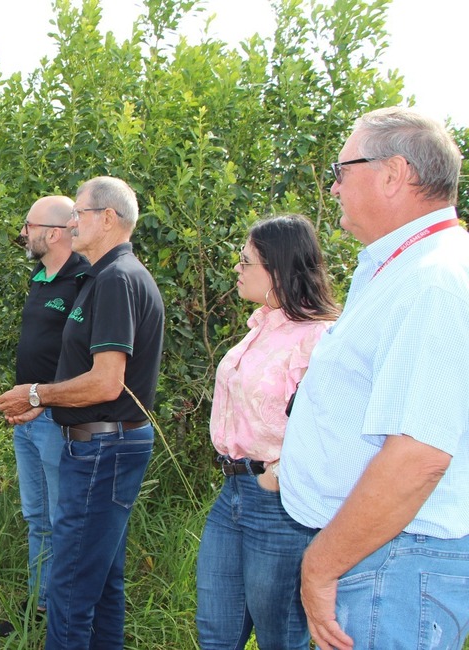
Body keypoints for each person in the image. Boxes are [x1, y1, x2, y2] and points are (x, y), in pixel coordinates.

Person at [280, 107, 469, 650]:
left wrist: (321, 566)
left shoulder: (433, 281)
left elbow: (419, 456)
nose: (333, 189)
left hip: (394, 560)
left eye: (341, 171)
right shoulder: (403, 267)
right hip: (382, 554)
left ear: (393, 175)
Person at [0, 175, 164, 649]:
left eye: (80, 215)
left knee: (69, 584)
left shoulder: (116, 279)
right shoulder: (105, 276)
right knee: (104, 579)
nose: (73, 223)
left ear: (107, 219)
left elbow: (107, 380)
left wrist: (37, 395)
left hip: (101, 446)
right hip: (104, 443)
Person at [195, 215, 339, 650]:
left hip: (280, 504)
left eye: (245, 262)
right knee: (216, 632)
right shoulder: (259, 328)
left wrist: (277, 472)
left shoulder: (320, 337)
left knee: (280, 638)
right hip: (232, 494)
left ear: (277, 269)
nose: (236, 270)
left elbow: (331, 426)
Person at [8, 195, 89, 617]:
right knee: (37, 516)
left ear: (54, 232)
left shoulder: (84, 279)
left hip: (57, 419)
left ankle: (63, 613)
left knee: (63, 520)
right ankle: (39, 609)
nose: (23, 233)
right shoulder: (40, 277)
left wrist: (43, 400)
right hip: (27, 418)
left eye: (29, 225)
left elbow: (83, 357)